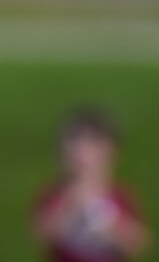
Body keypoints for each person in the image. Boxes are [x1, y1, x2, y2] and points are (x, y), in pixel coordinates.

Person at [33, 107, 150, 262]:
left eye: (93, 146)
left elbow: (139, 242)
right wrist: (71, 203)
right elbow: (42, 235)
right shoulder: (55, 195)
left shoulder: (120, 196)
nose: (82, 155)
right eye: (75, 146)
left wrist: (111, 225)